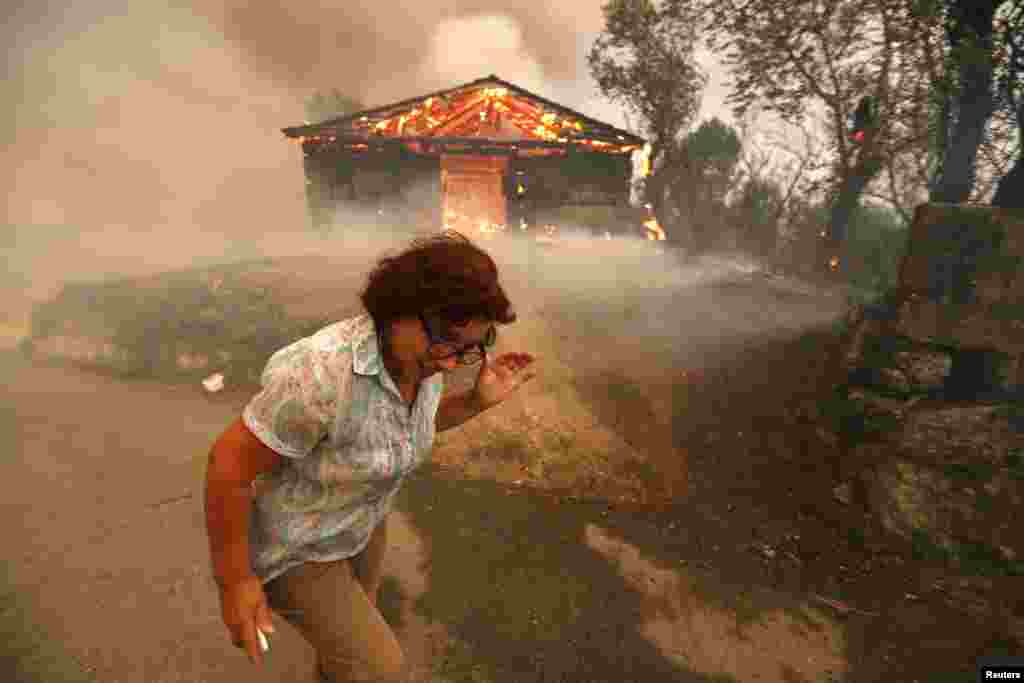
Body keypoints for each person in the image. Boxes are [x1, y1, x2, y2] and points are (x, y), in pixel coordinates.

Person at [204, 230, 537, 682]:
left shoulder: (420, 362)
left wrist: (476, 402)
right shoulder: (322, 374)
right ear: (399, 311)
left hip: (359, 526)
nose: (452, 363)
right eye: (448, 342)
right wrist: (235, 582)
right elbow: (229, 465)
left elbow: (392, 432)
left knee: (348, 663)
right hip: (297, 545)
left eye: (471, 347)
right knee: (381, 670)